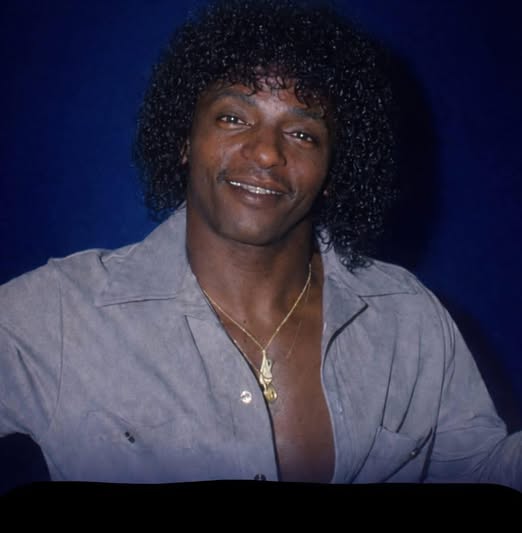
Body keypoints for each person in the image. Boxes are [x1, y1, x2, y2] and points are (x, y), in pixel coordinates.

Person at [0, 0, 520, 487]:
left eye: (302, 134)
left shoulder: (408, 317)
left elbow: (480, 471)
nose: (267, 152)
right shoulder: (61, 315)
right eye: (233, 117)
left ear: (333, 170)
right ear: (184, 140)